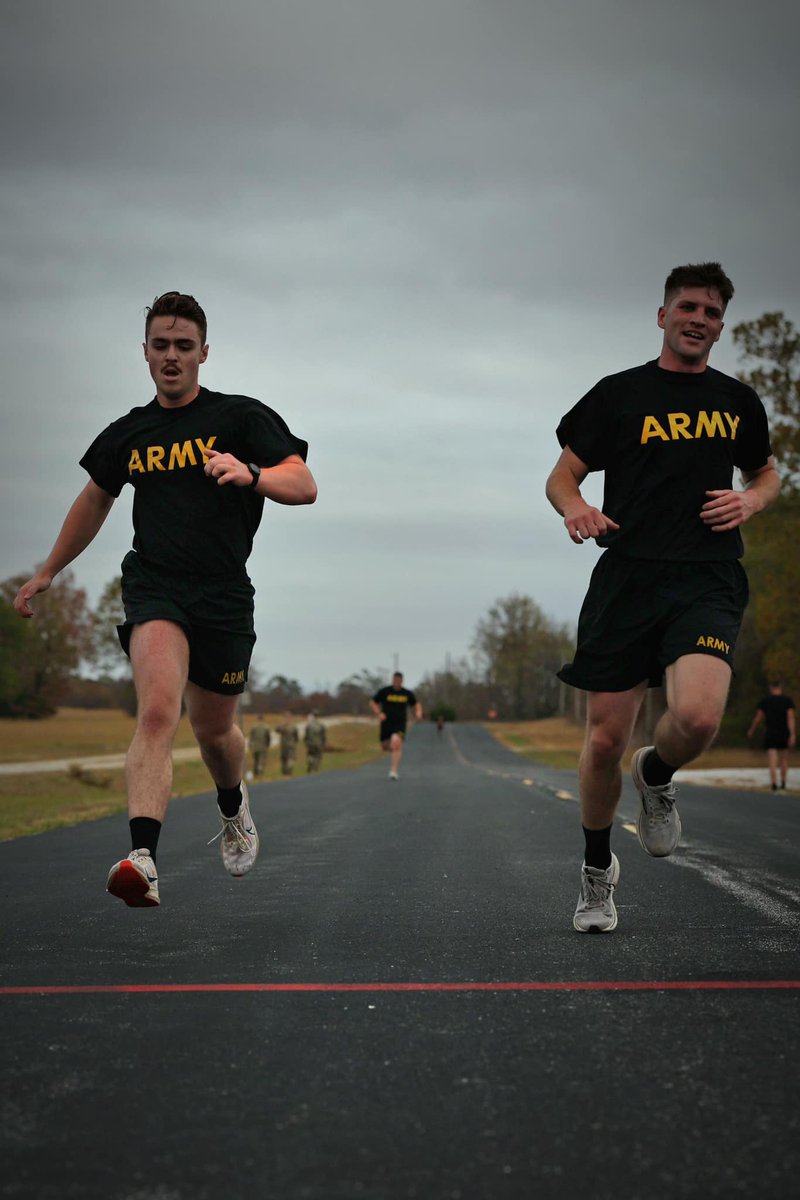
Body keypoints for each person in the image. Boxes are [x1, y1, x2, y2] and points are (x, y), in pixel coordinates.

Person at [13, 292, 317, 908]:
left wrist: (250, 474)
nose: (171, 357)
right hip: (155, 586)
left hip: (225, 595)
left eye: (184, 346)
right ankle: (143, 858)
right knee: (157, 712)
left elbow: (304, 484)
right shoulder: (130, 432)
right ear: (145, 354)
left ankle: (233, 807)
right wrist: (50, 569)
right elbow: (95, 499)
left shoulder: (240, 417)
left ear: (204, 353)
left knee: (215, 731)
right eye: (160, 345)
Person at [545, 262, 779, 934]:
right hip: (628, 578)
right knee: (603, 740)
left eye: (710, 311)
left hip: (706, 576)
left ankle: (658, 771)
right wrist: (577, 509)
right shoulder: (619, 395)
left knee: (699, 718)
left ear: (721, 325)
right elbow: (561, 478)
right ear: (662, 316)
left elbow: (765, 473)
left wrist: (752, 499)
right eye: (687, 307)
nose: (698, 319)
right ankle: (597, 874)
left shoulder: (738, 401)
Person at [370, 672, 422, 779]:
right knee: (385, 746)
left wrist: (418, 712)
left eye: (399, 680)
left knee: (396, 742)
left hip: (400, 724)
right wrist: (379, 713)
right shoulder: (385, 691)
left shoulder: (406, 693)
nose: (397, 682)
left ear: (402, 681)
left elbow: (416, 703)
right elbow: (373, 702)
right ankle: (395, 749)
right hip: (386, 723)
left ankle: (393, 771)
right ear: (392, 680)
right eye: (395, 680)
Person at [747, 681, 796, 790]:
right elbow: (790, 718)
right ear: (780, 687)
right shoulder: (787, 701)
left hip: (771, 733)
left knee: (772, 759)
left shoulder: (765, 701)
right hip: (784, 733)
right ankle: (783, 783)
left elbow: (758, 718)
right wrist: (792, 734)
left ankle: (774, 784)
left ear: (771, 688)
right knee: (784, 759)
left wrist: (752, 729)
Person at [248, 714, 272, 778]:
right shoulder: (265, 728)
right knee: (260, 761)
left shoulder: (254, 727)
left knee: (256, 761)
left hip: (256, 747)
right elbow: (268, 738)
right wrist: (267, 745)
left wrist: (250, 746)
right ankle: (259, 774)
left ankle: (257, 774)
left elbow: (251, 738)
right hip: (262, 747)